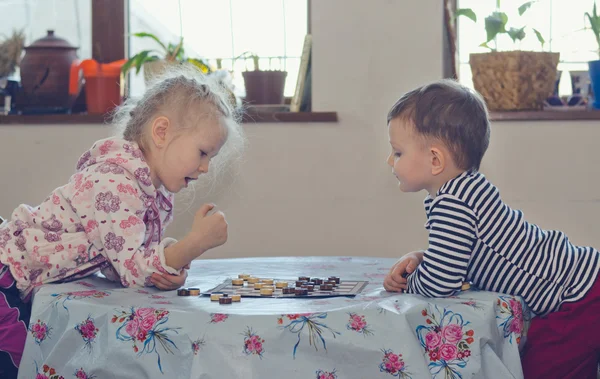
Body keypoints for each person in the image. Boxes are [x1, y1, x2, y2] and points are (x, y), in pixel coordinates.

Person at [0, 65, 244, 378]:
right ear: (161, 132)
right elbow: (134, 269)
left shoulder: (149, 192)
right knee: (23, 365)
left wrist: (169, 267)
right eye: (202, 153)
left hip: (20, 280)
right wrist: (194, 244)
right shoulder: (117, 184)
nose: (206, 168)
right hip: (7, 277)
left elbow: (122, 263)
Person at [382, 79, 600, 379]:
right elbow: (460, 255)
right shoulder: (465, 189)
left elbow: (440, 282)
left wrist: (409, 281)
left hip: (577, 297)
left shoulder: (453, 203)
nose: (389, 161)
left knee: (542, 370)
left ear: (435, 160)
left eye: (397, 153)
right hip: (582, 283)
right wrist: (422, 257)